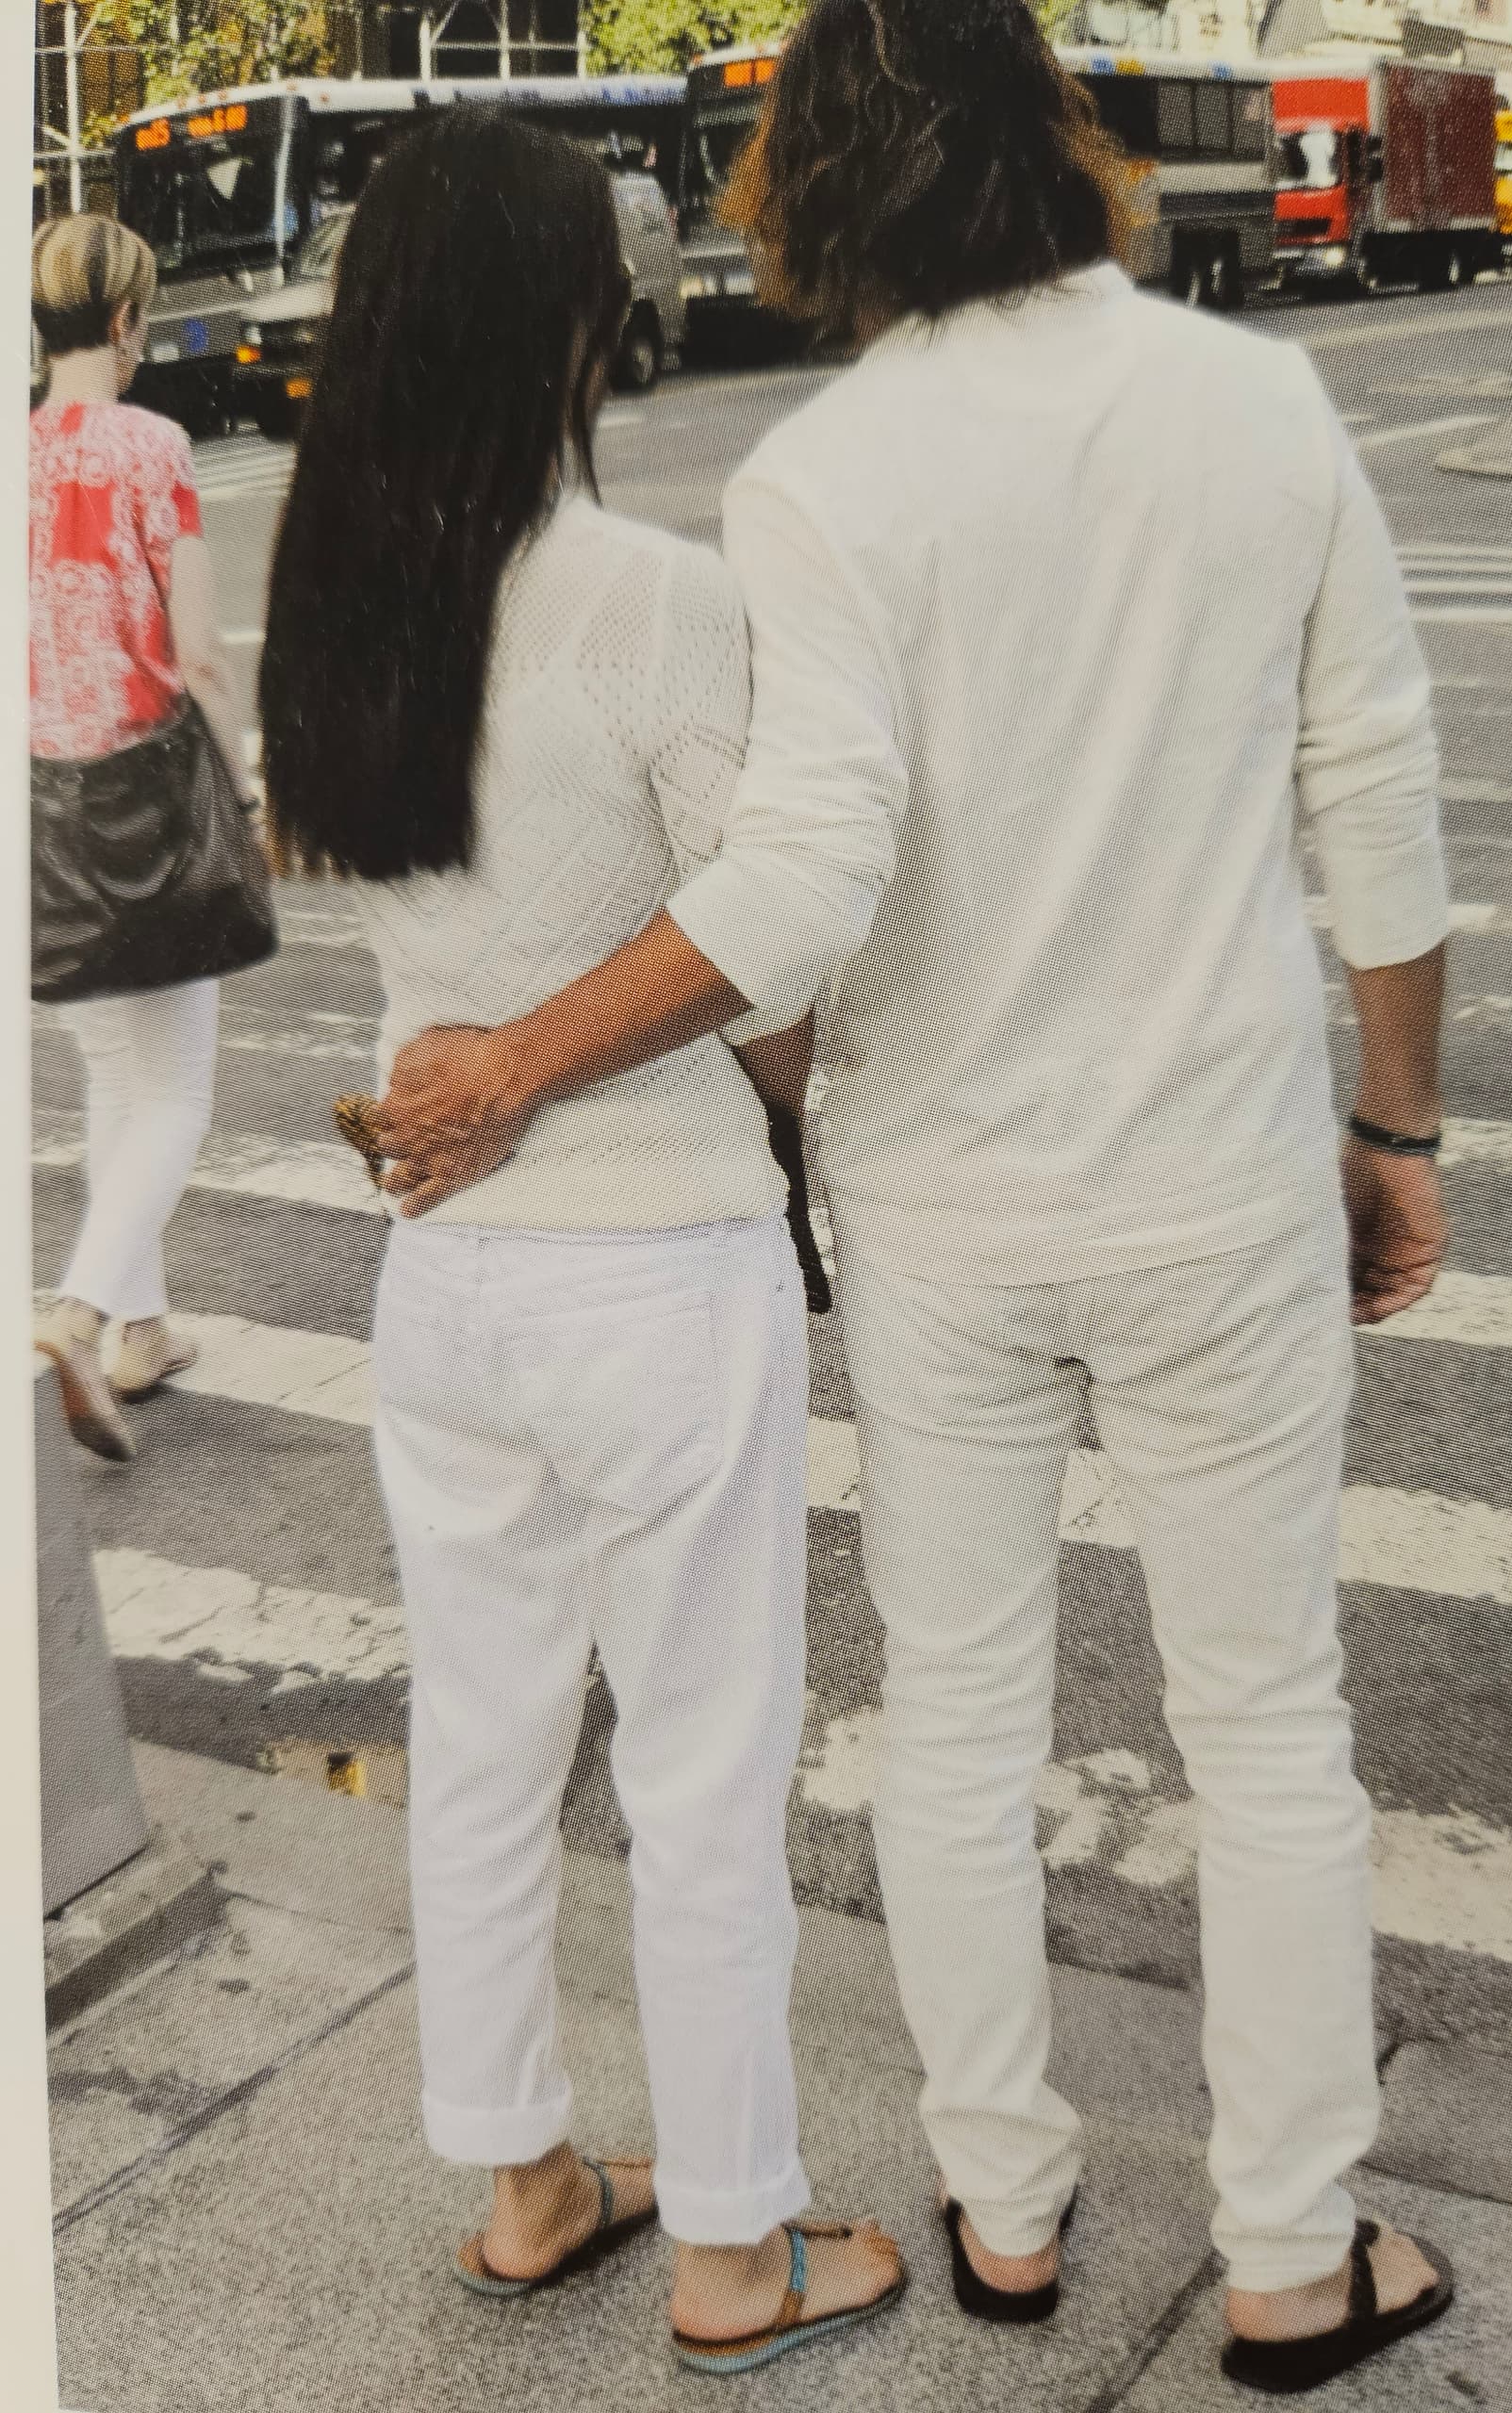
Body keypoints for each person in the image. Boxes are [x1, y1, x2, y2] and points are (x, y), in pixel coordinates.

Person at [371, 3, 1457, 2391]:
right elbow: (1378, 806)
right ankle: (1292, 2253)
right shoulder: (1257, 408)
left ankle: (1007, 2209)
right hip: (1219, 1180)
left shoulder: (818, 478)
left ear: (822, 185)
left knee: (955, 1718)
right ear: (1055, 135)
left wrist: (523, 1059)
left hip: (942, 1202)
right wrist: (1397, 1128)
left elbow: (803, 883)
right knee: (1269, 1719)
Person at [256, 108, 903, 2374]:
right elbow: (772, 938)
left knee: (480, 1737)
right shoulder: (645, 594)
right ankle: (733, 2240)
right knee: (704, 1762)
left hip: (449, 1275)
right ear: (565, 322)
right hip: (651, 1262)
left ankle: (526, 2178)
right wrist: (777, 1107)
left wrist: (492, 1057)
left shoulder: (337, 596)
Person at [29, 216, 259, 1466]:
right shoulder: (153, 447)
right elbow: (201, 655)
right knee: (173, 1093)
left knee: (118, 1079)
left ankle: (142, 1329)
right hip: (145, 802)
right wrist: (248, 796)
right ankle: (79, 1315)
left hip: (37, 813)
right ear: (125, 322)